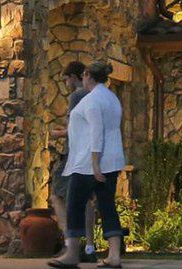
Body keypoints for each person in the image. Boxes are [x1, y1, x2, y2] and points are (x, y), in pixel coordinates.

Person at [49, 60, 125, 269]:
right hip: (111, 160)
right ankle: (114, 255)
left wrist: (94, 163)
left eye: (84, 75)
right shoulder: (112, 98)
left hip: (88, 163)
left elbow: (96, 131)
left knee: (74, 204)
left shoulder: (92, 100)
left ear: (88, 76)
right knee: (107, 206)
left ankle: (72, 253)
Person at [49, 60, 97, 262]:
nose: (66, 84)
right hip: (90, 154)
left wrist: (57, 133)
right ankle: (90, 247)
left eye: (66, 79)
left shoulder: (77, 96)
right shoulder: (94, 96)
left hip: (73, 155)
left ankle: (70, 244)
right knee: (86, 201)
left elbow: (74, 128)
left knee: (56, 195)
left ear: (75, 77)